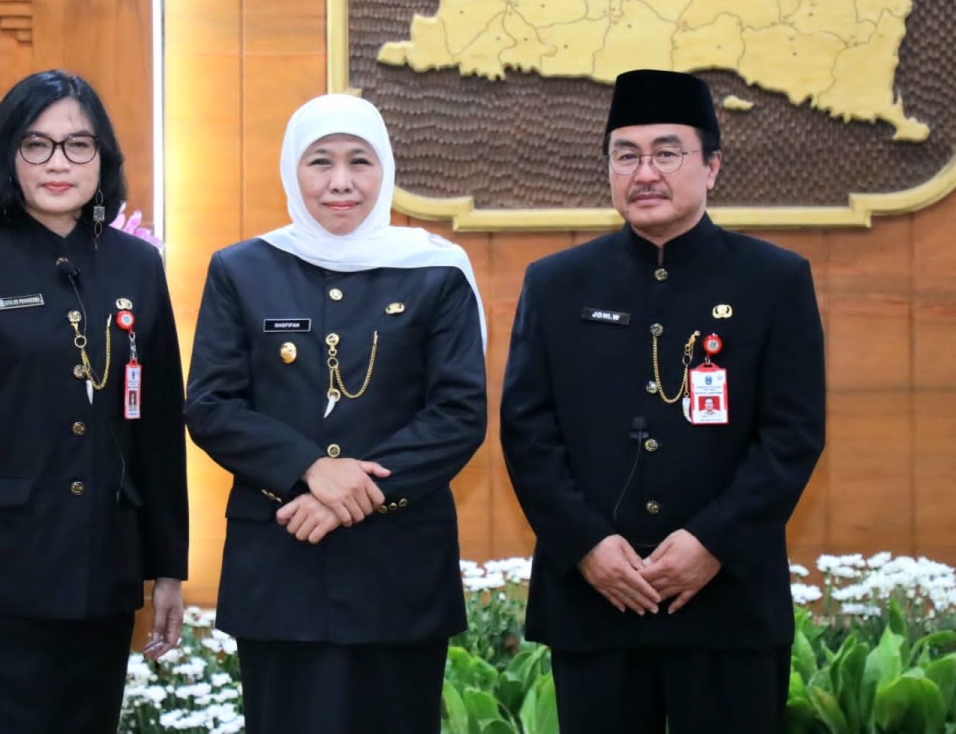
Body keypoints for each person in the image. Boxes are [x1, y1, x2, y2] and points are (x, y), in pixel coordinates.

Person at [500, 69, 825, 734]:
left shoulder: (774, 280)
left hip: (727, 597)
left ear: (711, 167)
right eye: (626, 155)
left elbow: (792, 434)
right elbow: (527, 430)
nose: (644, 172)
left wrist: (712, 542)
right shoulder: (557, 283)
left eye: (667, 153)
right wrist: (589, 544)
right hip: (596, 598)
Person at [184, 92, 487, 734]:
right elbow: (211, 405)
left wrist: (350, 489)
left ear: (387, 171)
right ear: (293, 168)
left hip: (399, 570)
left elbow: (458, 414)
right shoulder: (242, 269)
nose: (341, 182)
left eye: (360, 161)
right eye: (320, 161)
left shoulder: (436, 271)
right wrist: (309, 469)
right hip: (280, 567)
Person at [0, 69, 188, 732]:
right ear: (9, 156)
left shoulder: (136, 267)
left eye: (78, 145)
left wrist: (168, 567)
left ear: (103, 160)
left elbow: (156, 428)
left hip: (98, 583)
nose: (59, 163)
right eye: (38, 145)